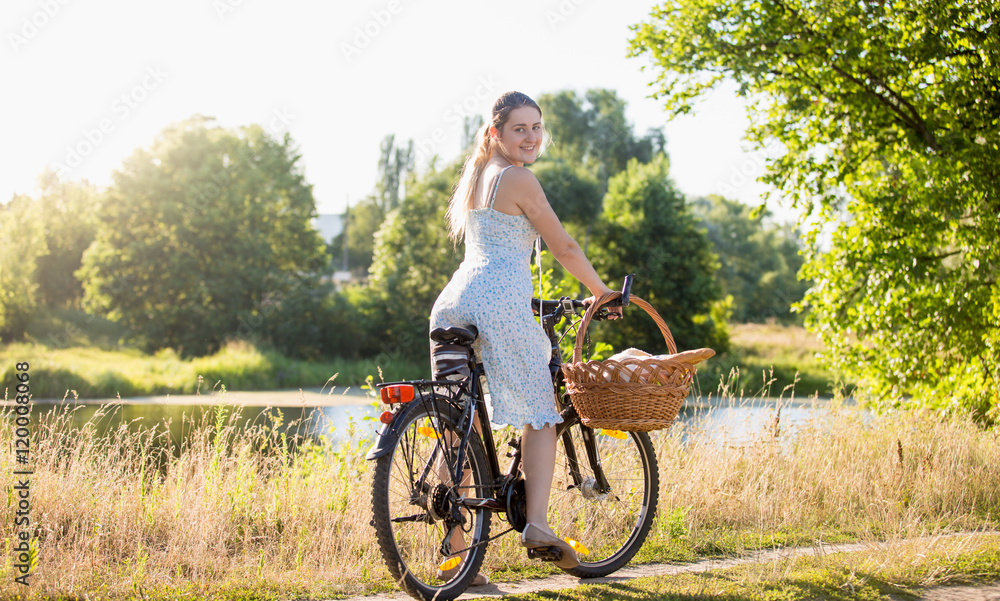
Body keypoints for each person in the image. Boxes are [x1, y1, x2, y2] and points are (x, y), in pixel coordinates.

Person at [429, 91, 622, 582]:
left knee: (461, 425)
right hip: (497, 301)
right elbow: (564, 246)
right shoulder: (517, 178)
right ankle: (536, 524)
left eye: (537, 127)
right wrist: (601, 293)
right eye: (520, 128)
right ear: (496, 132)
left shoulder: (478, 175)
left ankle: (457, 557)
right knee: (542, 410)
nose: (532, 136)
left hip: (453, 302)